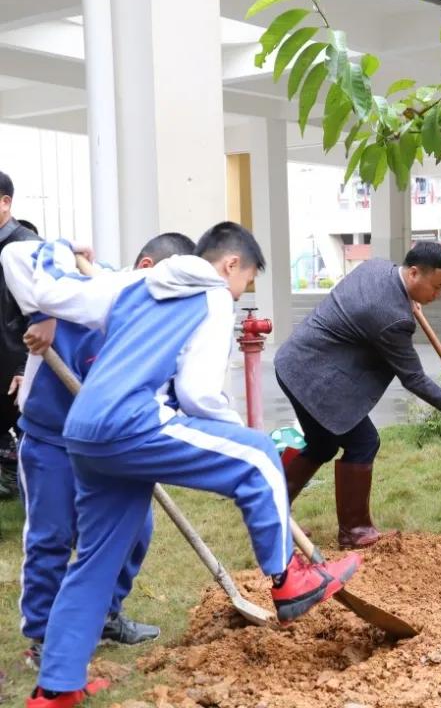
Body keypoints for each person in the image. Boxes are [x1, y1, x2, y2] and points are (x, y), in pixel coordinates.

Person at [22, 223, 358, 707]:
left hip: (84, 429)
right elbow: (199, 393)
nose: (240, 294)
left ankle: (55, 687)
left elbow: (49, 291)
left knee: (95, 562)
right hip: (130, 421)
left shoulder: (132, 283)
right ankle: (289, 582)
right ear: (230, 265)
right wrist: (234, 431)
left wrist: (62, 248)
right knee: (258, 455)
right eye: (245, 282)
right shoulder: (214, 297)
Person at [1, 233, 196, 668]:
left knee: (135, 530)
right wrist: (42, 310)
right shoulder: (87, 285)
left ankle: (105, 614)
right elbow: (14, 252)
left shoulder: (158, 321)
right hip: (53, 438)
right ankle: (43, 635)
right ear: (147, 268)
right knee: (51, 537)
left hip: (112, 443)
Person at [275, 241, 441, 548]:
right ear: (414, 273)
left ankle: (271, 512)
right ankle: (354, 531)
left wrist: (408, 300)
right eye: (436, 287)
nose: (438, 296)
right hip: (312, 375)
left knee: (323, 444)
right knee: (364, 442)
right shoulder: (392, 317)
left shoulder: (378, 267)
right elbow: (413, 378)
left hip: (297, 360)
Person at [0, 172, 42, 501]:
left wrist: (24, 367)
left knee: (36, 449)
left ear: (5, 202)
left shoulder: (26, 246)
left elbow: (41, 313)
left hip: (19, 367)